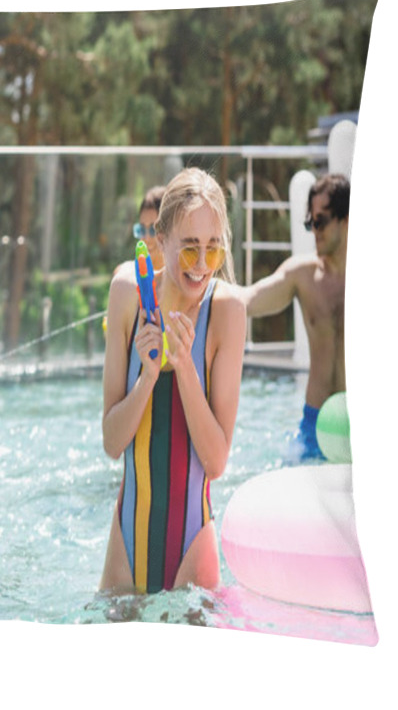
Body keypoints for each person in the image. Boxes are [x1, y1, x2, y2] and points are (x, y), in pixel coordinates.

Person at [100, 168, 246, 595]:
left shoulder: (227, 312)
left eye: (213, 250)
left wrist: (184, 366)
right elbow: (112, 443)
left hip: (192, 554)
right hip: (125, 549)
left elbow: (216, 463)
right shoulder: (127, 292)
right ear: (160, 240)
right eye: (188, 250)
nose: (201, 266)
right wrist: (147, 377)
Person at [237, 173, 349, 459]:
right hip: (314, 425)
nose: (314, 231)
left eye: (320, 221)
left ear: (346, 220)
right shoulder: (303, 276)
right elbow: (247, 300)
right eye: (310, 223)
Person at [114, 185, 167, 279]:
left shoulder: (178, 283)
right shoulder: (124, 275)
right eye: (142, 230)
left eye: (153, 230)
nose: (146, 238)